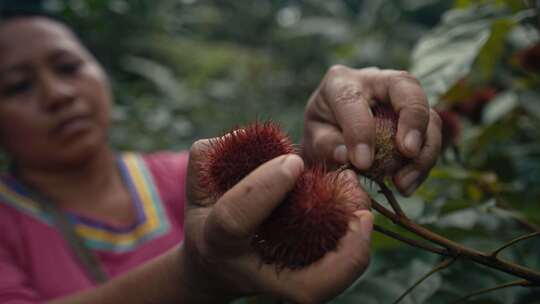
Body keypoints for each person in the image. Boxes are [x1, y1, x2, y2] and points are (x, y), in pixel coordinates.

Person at [0, 10, 442, 304]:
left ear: (99, 71)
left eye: (67, 66)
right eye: (17, 85)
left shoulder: (181, 176)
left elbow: (276, 196)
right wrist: (194, 274)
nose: (58, 94)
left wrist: (336, 142)